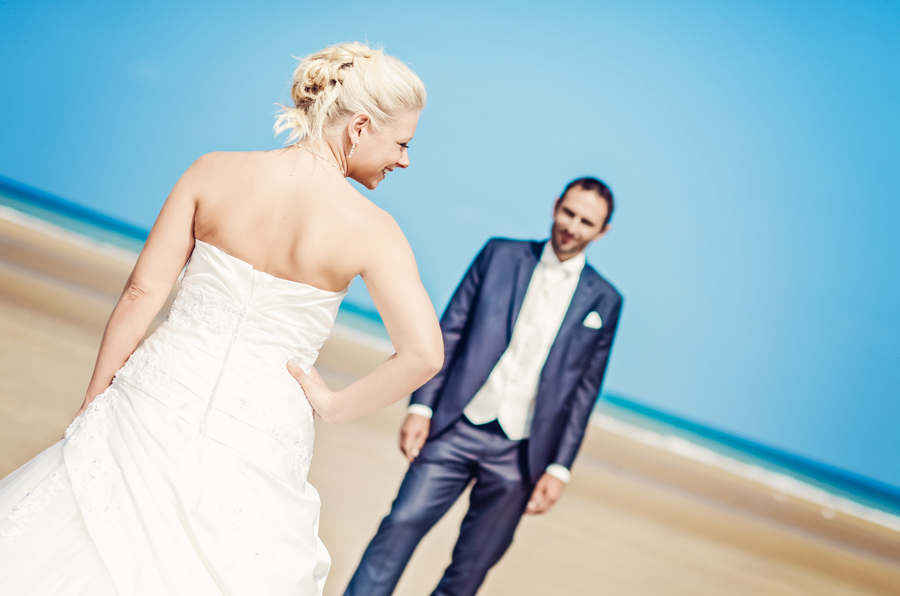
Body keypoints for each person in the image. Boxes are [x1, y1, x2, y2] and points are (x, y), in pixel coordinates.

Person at [0, 41, 443, 596]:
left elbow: (142, 292)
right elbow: (424, 354)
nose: (404, 159)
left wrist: (95, 401)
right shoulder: (375, 232)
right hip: (261, 431)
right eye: (402, 143)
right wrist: (332, 406)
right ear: (358, 126)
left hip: (154, 395)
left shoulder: (212, 172)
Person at [343, 177, 623, 596]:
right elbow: (450, 332)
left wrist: (559, 468)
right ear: (555, 206)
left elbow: (584, 393)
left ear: (603, 232)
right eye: (569, 212)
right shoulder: (499, 255)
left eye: (587, 221)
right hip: (456, 425)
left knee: (469, 572)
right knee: (399, 525)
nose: (573, 226)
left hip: (523, 454)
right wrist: (422, 407)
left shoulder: (605, 300)